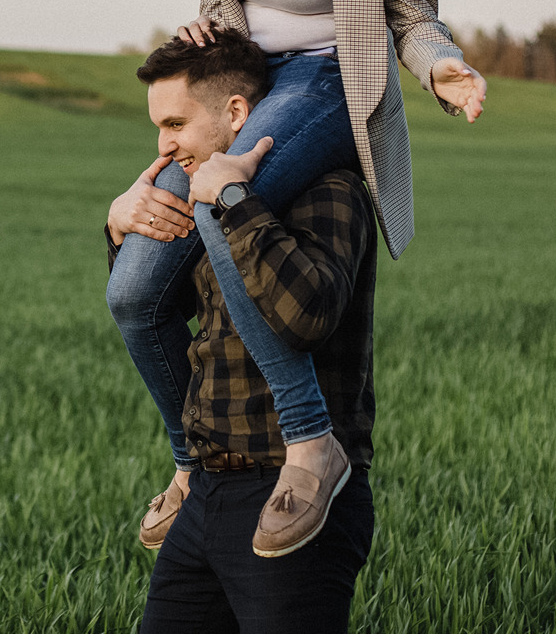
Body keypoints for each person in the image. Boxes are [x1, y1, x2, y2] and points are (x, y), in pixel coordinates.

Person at [105, 0, 485, 555]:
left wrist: (443, 70)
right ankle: (188, 461)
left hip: (325, 81)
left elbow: (411, 15)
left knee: (219, 200)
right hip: (242, 83)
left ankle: (312, 442)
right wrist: (210, 29)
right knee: (133, 287)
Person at [109, 31, 379, 632]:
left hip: (294, 493)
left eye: (176, 122)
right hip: (204, 491)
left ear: (236, 112)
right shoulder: (199, 193)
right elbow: (158, 308)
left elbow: (306, 314)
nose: (164, 144)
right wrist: (123, 228)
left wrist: (234, 202)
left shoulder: (327, 190)